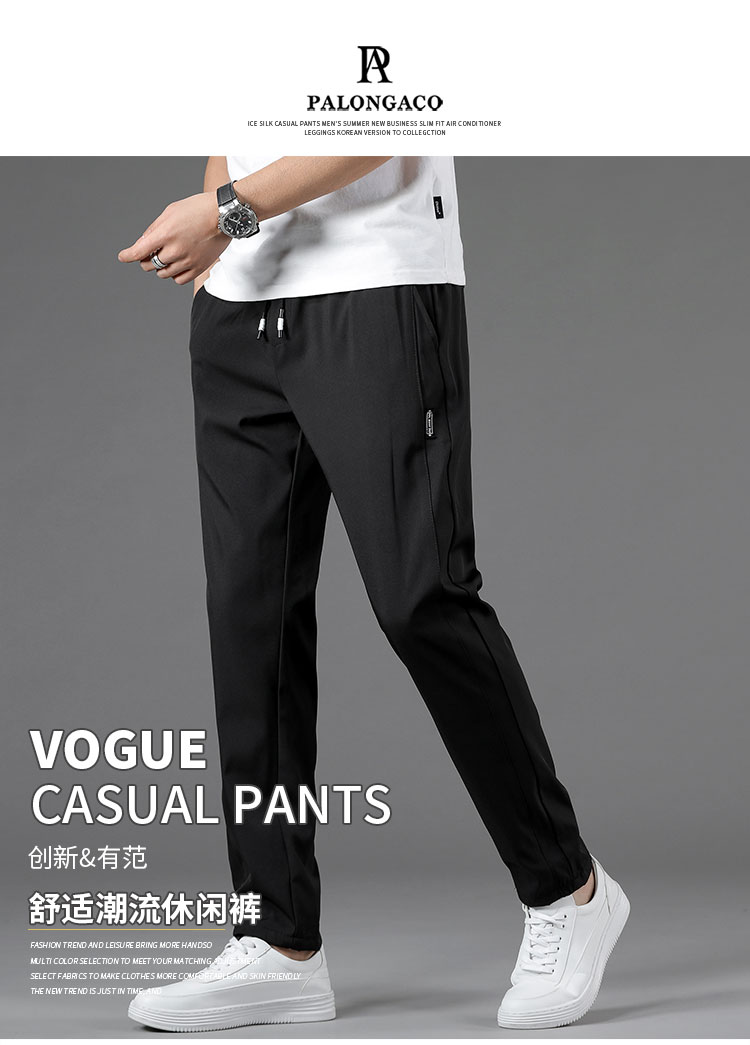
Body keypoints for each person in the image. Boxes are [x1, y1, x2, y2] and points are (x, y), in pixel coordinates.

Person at [118, 156, 629, 1032]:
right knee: (249, 620)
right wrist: (221, 246)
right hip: (240, 302)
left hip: (376, 287)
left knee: (420, 596)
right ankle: (277, 940)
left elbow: (380, 125)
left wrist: (225, 213)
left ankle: (568, 889)